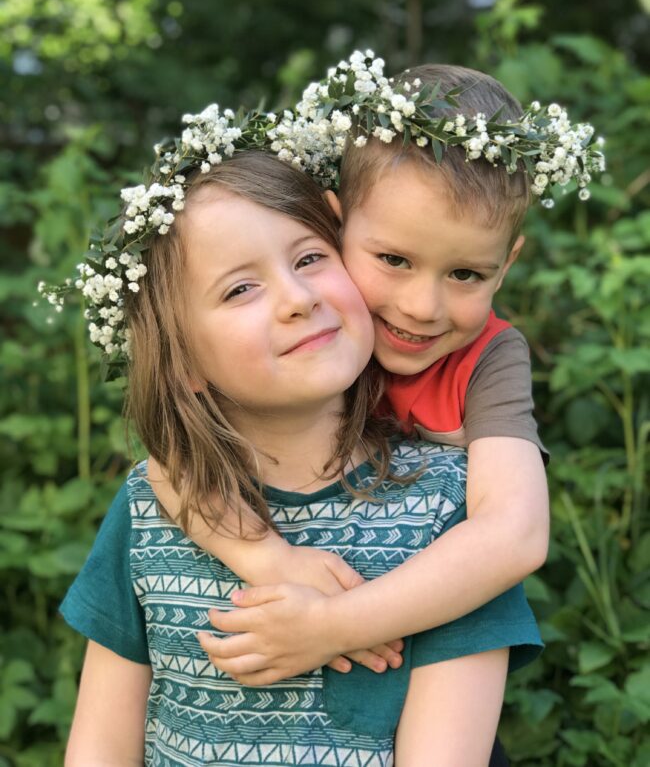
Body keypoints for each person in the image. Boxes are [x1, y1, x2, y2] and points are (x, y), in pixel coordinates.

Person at [59, 146, 542, 767]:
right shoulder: (151, 509)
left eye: (311, 258)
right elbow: (99, 745)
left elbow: (514, 535)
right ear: (183, 362)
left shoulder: (452, 514)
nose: (297, 298)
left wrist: (334, 623)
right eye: (239, 289)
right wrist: (268, 558)